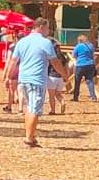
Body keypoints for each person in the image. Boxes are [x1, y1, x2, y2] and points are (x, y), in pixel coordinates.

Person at [6, 18, 67, 148]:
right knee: (34, 108)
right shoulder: (45, 43)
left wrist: (8, 76)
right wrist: (64, 74)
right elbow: (55, 62)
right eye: (48, 28)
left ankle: (31, 135)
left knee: (29, 107)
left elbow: (13, 60)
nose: (48, 31)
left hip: (24, 79)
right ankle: (28, 138)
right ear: (41, 27)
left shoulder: (22, 42)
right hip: (37, 79)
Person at [71, 34, 97, 102]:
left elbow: (73, 55)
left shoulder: (78, 46)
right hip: (90, 64)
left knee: (77, 81)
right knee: (89, 81)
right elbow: (93, 55)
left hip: (80, 64)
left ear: (79, 40)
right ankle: (93, 96)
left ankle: (75, 97)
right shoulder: (91, 45)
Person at [46, 39, 67, 115]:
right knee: (58, 94)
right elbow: (65, 66)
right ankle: (62, 101)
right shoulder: (62, 56)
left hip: (51, 77)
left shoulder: (50, 56)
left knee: (51, 96)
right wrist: (65, 75)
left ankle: (53, 110)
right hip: (60, 78)